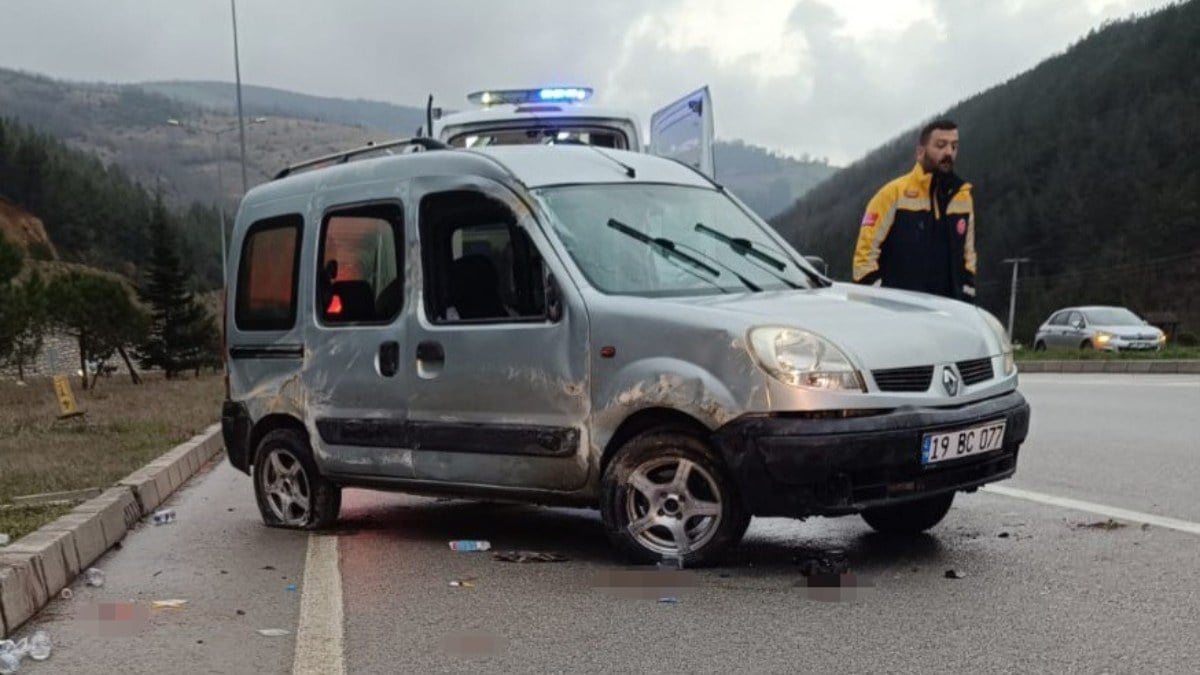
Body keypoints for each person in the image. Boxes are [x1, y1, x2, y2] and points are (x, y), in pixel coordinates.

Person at [852, 119, 976, 301]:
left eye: (954, 146)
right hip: (896, 312)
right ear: (920, 152)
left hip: (947, 312)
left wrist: (966, 297)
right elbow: (864, 256)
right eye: (940, 145)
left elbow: (969, 256)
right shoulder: (892, 194)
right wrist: (878, 299)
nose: (948, 152)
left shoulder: (963, 197)